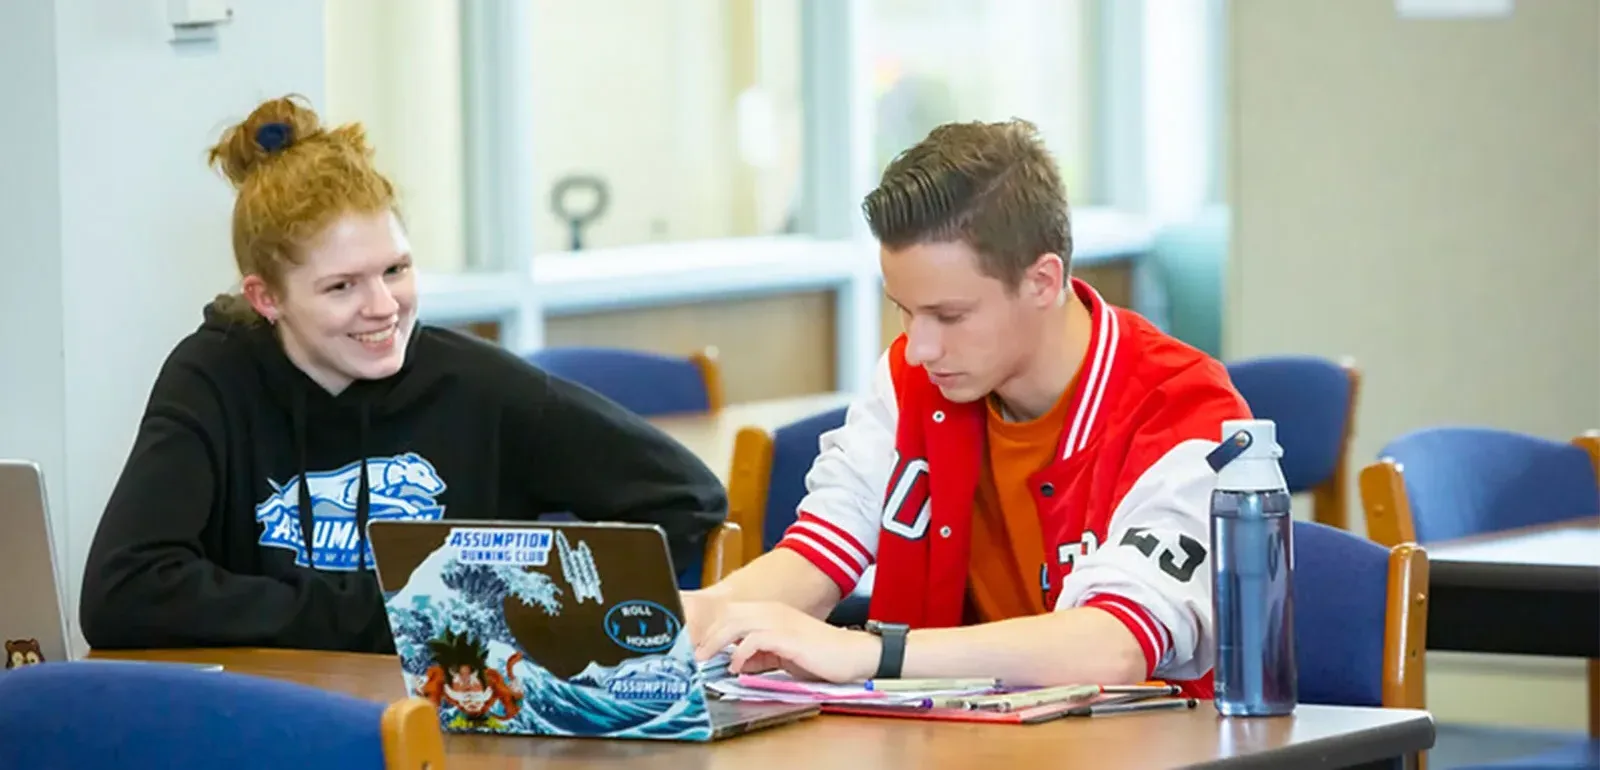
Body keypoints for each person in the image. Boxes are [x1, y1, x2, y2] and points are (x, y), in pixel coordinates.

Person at [79, 95, 726, 653]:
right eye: (341, 286)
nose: (384, 307)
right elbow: (122, 591)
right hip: (273, 709)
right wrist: (404, 612)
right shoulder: (213, 378)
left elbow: (685, 500)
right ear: (266, 298)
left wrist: (520, 604)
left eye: (396, 270)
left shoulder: (477, 386)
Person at [684, 119, 1249, 697]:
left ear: (1043, 282)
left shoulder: (1187, 411)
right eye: (904, 310)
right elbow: (823, 547)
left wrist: (867, 654)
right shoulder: (915, 376)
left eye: (950, 316)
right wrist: (705, 614)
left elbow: (1114, 647)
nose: (920, 346)